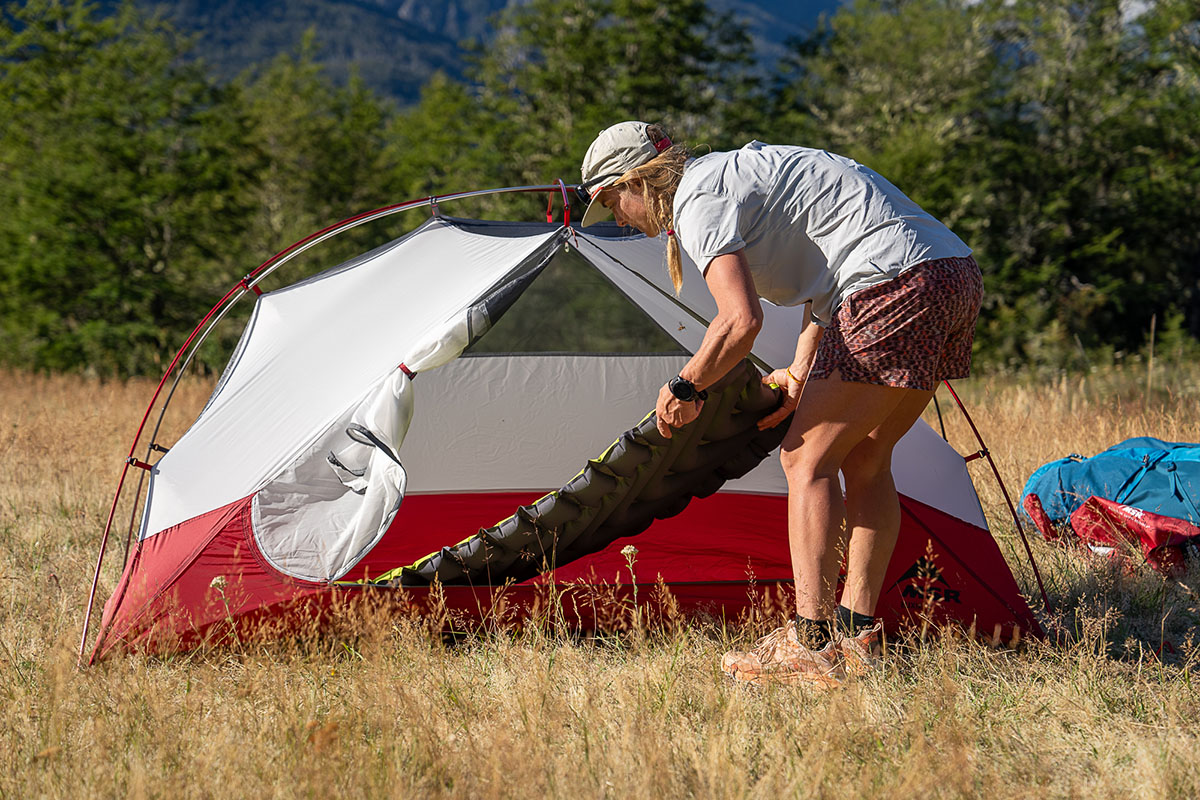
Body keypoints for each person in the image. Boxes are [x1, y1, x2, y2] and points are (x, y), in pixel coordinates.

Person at [578, 121, 983, 686]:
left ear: (637, 182)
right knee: (866, 457)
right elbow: (827, 288)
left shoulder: (697, 199)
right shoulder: (734, 173)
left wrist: (686, 386)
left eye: (611, 203)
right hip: (951, 275)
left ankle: (811, 642)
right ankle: (856, 636)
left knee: (805, 461)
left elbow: (740, 321)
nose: (618, 219)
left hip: (890, 283)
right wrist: (797, 372)